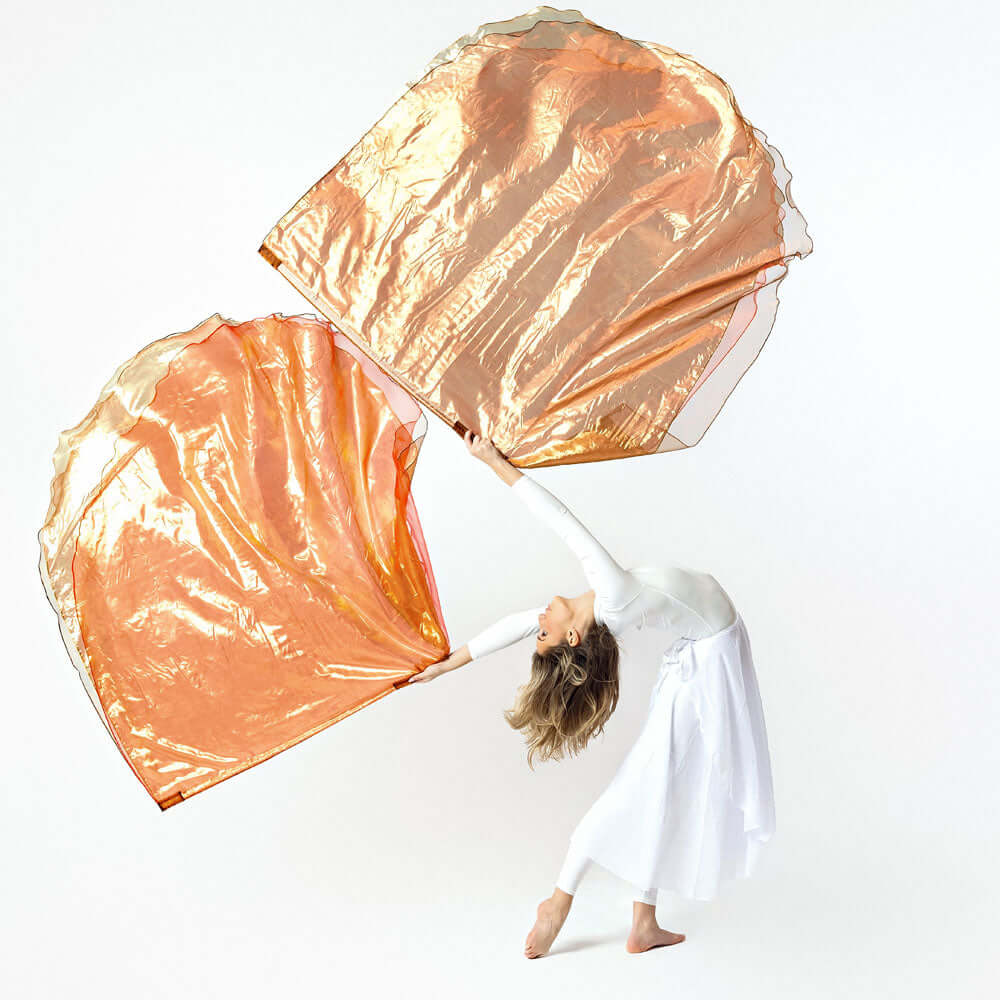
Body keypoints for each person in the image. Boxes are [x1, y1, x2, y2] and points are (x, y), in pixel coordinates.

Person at [410, 432, 775, 957]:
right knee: (646, 784)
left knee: (664, 783)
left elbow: (515, 624)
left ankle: (643, 920)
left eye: (540, 629)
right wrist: (493, 463)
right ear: (572, 638)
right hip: (711, 660)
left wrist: (449, 664)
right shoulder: (613, 594)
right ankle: (560, 900)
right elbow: (562, 522)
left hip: (704, 655)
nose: (538, 619)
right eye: (544, 632)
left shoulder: (597, 611)